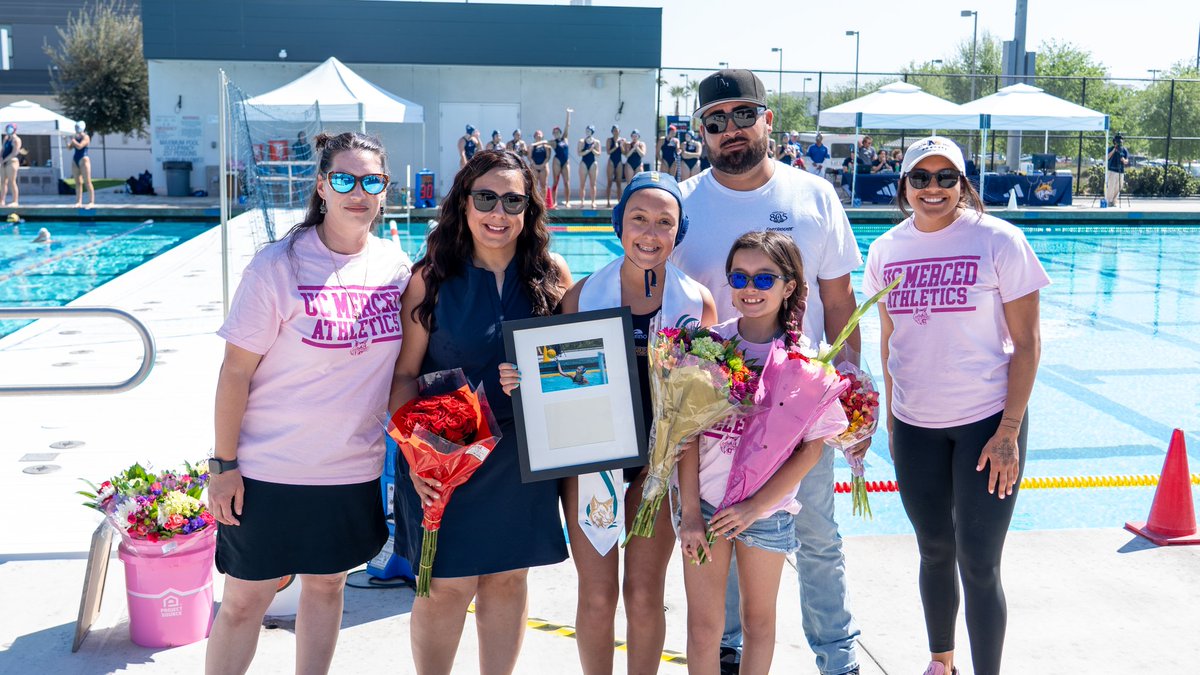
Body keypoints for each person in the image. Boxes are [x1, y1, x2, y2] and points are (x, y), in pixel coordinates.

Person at [671, 68, 865, 675]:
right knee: (720, 529)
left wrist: (853, 394)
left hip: (798, 410)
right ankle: (725, 653)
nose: (730, 129)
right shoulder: (682, 205)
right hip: (715, 413)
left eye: (743, 114)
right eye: (715, 120)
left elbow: (839, 304)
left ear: (767, 119)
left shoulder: (814, 195)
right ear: (701, 131)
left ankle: (837, 658)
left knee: (817, 539)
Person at [204, 131, 412, 675]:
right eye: (343, 179)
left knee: (327, 587)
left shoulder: (395, 268)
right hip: (270, 470)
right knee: (245, 601)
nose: (357, 192)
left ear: (385, 190)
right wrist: (223, 466)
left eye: (372, 181)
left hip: (350, 471)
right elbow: (234, 373)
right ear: (322, 186)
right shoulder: (278, 266)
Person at [503, 171, 715, 675]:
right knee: (597, 595)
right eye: (638, 218)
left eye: (665, 222)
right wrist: (523, 377)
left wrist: (687, 504)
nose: (650, 232)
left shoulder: (696, 304)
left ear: (679, 232)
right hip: (592, 464)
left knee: (644, 594)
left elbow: (697, 412)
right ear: (619, 225)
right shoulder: (580, 297)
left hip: (657, 469)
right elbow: (560, 384)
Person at [864, 136, 1049, 675]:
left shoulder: (1000, 241)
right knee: (933, 549)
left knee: (978, 560)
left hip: (987, 422)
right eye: (921, 178)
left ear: (963, 184)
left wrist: (1010, 429)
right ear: (905, 186)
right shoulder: (886, 249)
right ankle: (941, 662)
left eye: (947, 178)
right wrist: (894, 424)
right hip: (916, 425)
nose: (933, 188)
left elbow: (1029, 342)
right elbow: (889, 338)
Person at [390, 149, 571, 675]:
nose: (499, 212)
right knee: (445, 586)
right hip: (445, 459)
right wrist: (420, 455)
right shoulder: (433, 277)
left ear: (529, 208)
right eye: (486, 198)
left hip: (522, 458)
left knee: (509, 580)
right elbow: (403, 376)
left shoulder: (549, 274)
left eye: (513, 200)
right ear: (464, 204)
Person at [678, 231, 848, 675]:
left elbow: (811, 450)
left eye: (764, 278)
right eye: (740, 277)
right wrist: (691, 513)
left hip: (767, 513)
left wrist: (755, 506)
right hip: (707, 507)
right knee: (703, 627)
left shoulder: (806, 364)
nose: (750, 288)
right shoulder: (707, 347)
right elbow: (686, 436)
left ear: (789, 286)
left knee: (758, 622)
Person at [68, 121, 95, 208]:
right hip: (75, 160)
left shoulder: (86, 137)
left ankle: (91, 201)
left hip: (84, 159)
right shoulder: (75, 138)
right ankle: (78, 202)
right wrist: (66, 140)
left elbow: (80, 146)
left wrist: (72, 140)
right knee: (78, 182)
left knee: (87, 181)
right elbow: (69, 148)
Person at [551, 108, 573, 206]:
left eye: (557, 132)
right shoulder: (553, 142)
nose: (556, 134)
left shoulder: (565, 138)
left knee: (566, 182)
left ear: (560, 133)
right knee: (556, 181)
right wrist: (534, 144)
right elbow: (543, 142)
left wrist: (568, 113)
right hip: (557, 161)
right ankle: (554, 201)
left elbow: (567, 126)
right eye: (554, 133)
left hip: (565, 162)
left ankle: (567, 202)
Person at [578, 125, 602, 209]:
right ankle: (582, 202)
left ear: (592, 131)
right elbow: (579, 153)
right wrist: (589, 150)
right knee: (582, 184)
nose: (587, 132)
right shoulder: (582, 141)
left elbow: (598, 154)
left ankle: (593, 202)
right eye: (586, 130)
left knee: (593, 184)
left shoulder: (596, 142)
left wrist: (593, 149)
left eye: (589, 130)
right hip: (584, 162)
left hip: (593, 163)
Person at [605, 125, 626, 206]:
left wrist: (621, 146)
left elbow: (624, 153)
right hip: (611, 161)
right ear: (612, 132)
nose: (616, 132)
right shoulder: (609, 140)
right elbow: (608, 152)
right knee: (609, 182)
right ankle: (608, 202)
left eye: (617, 130)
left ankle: (619, 202)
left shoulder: (622, 140)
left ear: (619, 131)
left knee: (618, 182)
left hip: (619, 161)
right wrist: (615, 147)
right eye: (614, 130)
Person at [1105, 134, 1129, 206]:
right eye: (1117, 141)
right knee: (1111, 186)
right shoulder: (1111, 148)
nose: (1119, 142)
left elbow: (1126, 160)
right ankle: (1109, 201)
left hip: (1120, 170)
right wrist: (1114, 150)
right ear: (1114, 141)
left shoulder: (1124, 149)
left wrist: (1124, 160)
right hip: (1112, 170)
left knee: (1119, 186)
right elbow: (1106, 157)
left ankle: (1115, 200)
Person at [1, 123, 21, 207]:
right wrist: (0, 158)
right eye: (8, 128)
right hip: (3, 162)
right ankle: (1, 201)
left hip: (12, 162)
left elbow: (14, 153)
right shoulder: (6, 138)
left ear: (14, 129)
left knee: (12, 182)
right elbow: (3, 149)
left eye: (11, 128)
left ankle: (15, 201)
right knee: (2, 182)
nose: (9, 130)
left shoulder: (16, 140)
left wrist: (4, 160)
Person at [529, 130, 553, 198]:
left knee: (543, 185)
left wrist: (542, 165)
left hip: (543, 167)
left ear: (542, 136)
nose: (538, 135)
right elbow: (530, 157)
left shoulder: (545, 146)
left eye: (539, 134)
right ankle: (535, 202)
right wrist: (535, 165)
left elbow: (548, 157)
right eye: (536, 134)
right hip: (534, 167)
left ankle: (543, 202)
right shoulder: (532, 146)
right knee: (534, 185)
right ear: (534, 136)